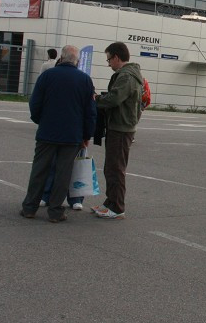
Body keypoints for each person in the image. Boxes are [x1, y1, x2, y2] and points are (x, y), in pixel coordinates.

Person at [20, 45, 96, 223]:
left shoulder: (47, 76)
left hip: (47, 131)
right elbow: (90, 112)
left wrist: (40, 120)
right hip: (72, 135)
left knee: (39, 169)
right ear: (76, 61)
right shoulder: (85, 80)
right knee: (64, 173)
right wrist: (87, 135)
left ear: (61, 58)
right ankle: (55, 211)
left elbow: (35, 103)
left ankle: (30, 207)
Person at [92, 42, 143, 219]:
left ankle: (117, 207)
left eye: (108, 59)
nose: (108, 64)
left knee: (116, 168)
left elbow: (114, 99)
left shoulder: (126, 76)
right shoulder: (127, 75)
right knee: (111, 167)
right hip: (119, 126)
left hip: (121, 128)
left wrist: (97, 98)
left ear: (116, 57)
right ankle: (110, 201)